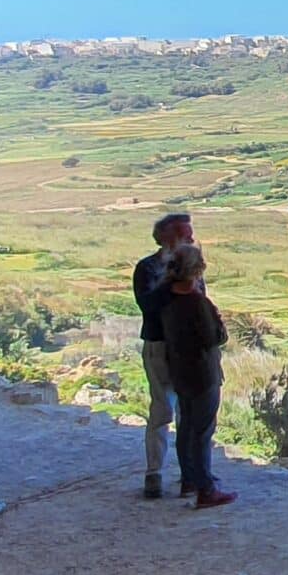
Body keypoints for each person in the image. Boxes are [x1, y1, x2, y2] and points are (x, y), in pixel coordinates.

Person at [159, 242, 235, 510]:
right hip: (202, 373)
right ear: (197, 270)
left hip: (179, 371)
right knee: (202, 432)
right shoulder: (197, 303)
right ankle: (206, 489)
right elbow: (214, 338)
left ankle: (189, 479)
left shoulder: (166, 298)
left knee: (186, 426)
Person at [131, 213, 193, 498]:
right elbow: (148, 305)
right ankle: (154, 473)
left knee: (188, 413)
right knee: (162, 410)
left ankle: (189, 474)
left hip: (187, 349)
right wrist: (175, 282)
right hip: (159, 345)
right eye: (186, 235)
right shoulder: (146, 268)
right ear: (169, 239)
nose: (192, 240)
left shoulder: (191, 268)